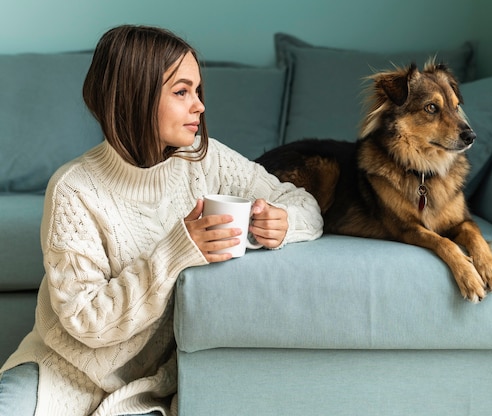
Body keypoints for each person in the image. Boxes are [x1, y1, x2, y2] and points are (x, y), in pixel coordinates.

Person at [0, 25, 323, 416]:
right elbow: (87, 321)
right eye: (182, 91)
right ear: (135, 97)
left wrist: (284, 222)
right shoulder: (74, 188)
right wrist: (177, 250)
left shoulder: (207, 161)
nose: (199, 106)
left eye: (198, 91)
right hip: (64, 372)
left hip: (149, 387)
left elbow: (302, 203)